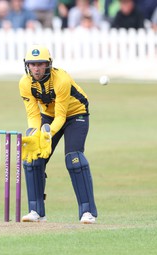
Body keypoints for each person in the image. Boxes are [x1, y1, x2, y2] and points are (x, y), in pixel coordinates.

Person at [19, 45, 97, 224]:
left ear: (48, 65)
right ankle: (36, 211)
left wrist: (48, 134)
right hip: (49, 115)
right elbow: (33, 115)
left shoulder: (61, 79)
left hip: (76, 113)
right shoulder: (24, 83)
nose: (36, 69)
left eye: (40, 64)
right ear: (27, 66)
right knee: (33, 158)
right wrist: (34, 135)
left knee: (74, 158)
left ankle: (87, 212)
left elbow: (61, 116)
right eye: (32, 65)